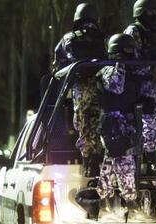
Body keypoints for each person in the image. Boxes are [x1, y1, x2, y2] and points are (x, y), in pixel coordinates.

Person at [52, 3, 106, 177]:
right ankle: (102, 160)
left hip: (82, 89)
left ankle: (90, 163)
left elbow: (57, 67)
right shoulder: (104, 38)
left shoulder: (69, 38)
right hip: (104, 88)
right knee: (103, 124)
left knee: (84, 125)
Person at [95, 33, 141, 213]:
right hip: (113, 123)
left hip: (126, 122)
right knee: (123, 159)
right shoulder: (108, 70)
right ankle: (129, 201)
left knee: (111, 160)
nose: (131, 54)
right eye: (127, 51)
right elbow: (116, 86)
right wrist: (121, 65)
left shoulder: (132, 71)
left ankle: (104, 199)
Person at [123, 0, 156, 170]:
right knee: (148, 129)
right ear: (141, 12)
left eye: (154, 11)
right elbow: (129, 62)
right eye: (149, 12)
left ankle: (155, 162)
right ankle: (148, 161)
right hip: (143, 91)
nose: (153, 15)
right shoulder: (133, 32)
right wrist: (151, 70)